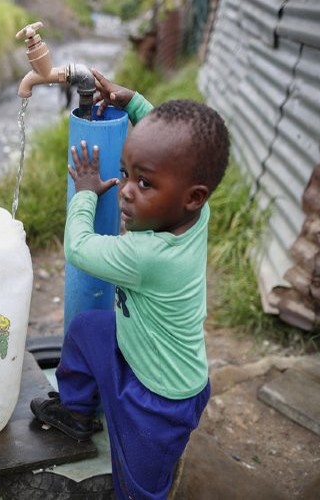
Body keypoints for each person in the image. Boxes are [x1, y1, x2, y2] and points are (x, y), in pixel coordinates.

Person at [30, 68, 230, 499]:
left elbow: (80, 248)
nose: (124, 190)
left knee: (137, 488)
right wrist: (133, 101)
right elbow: (171, 148)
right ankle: (78, 412)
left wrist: (84, 191)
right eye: (125, 172)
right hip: (133, 352)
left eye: (144, 183)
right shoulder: (195, 214)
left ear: (192, 196)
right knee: (87, 330)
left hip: (159, 404)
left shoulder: (149, 256)